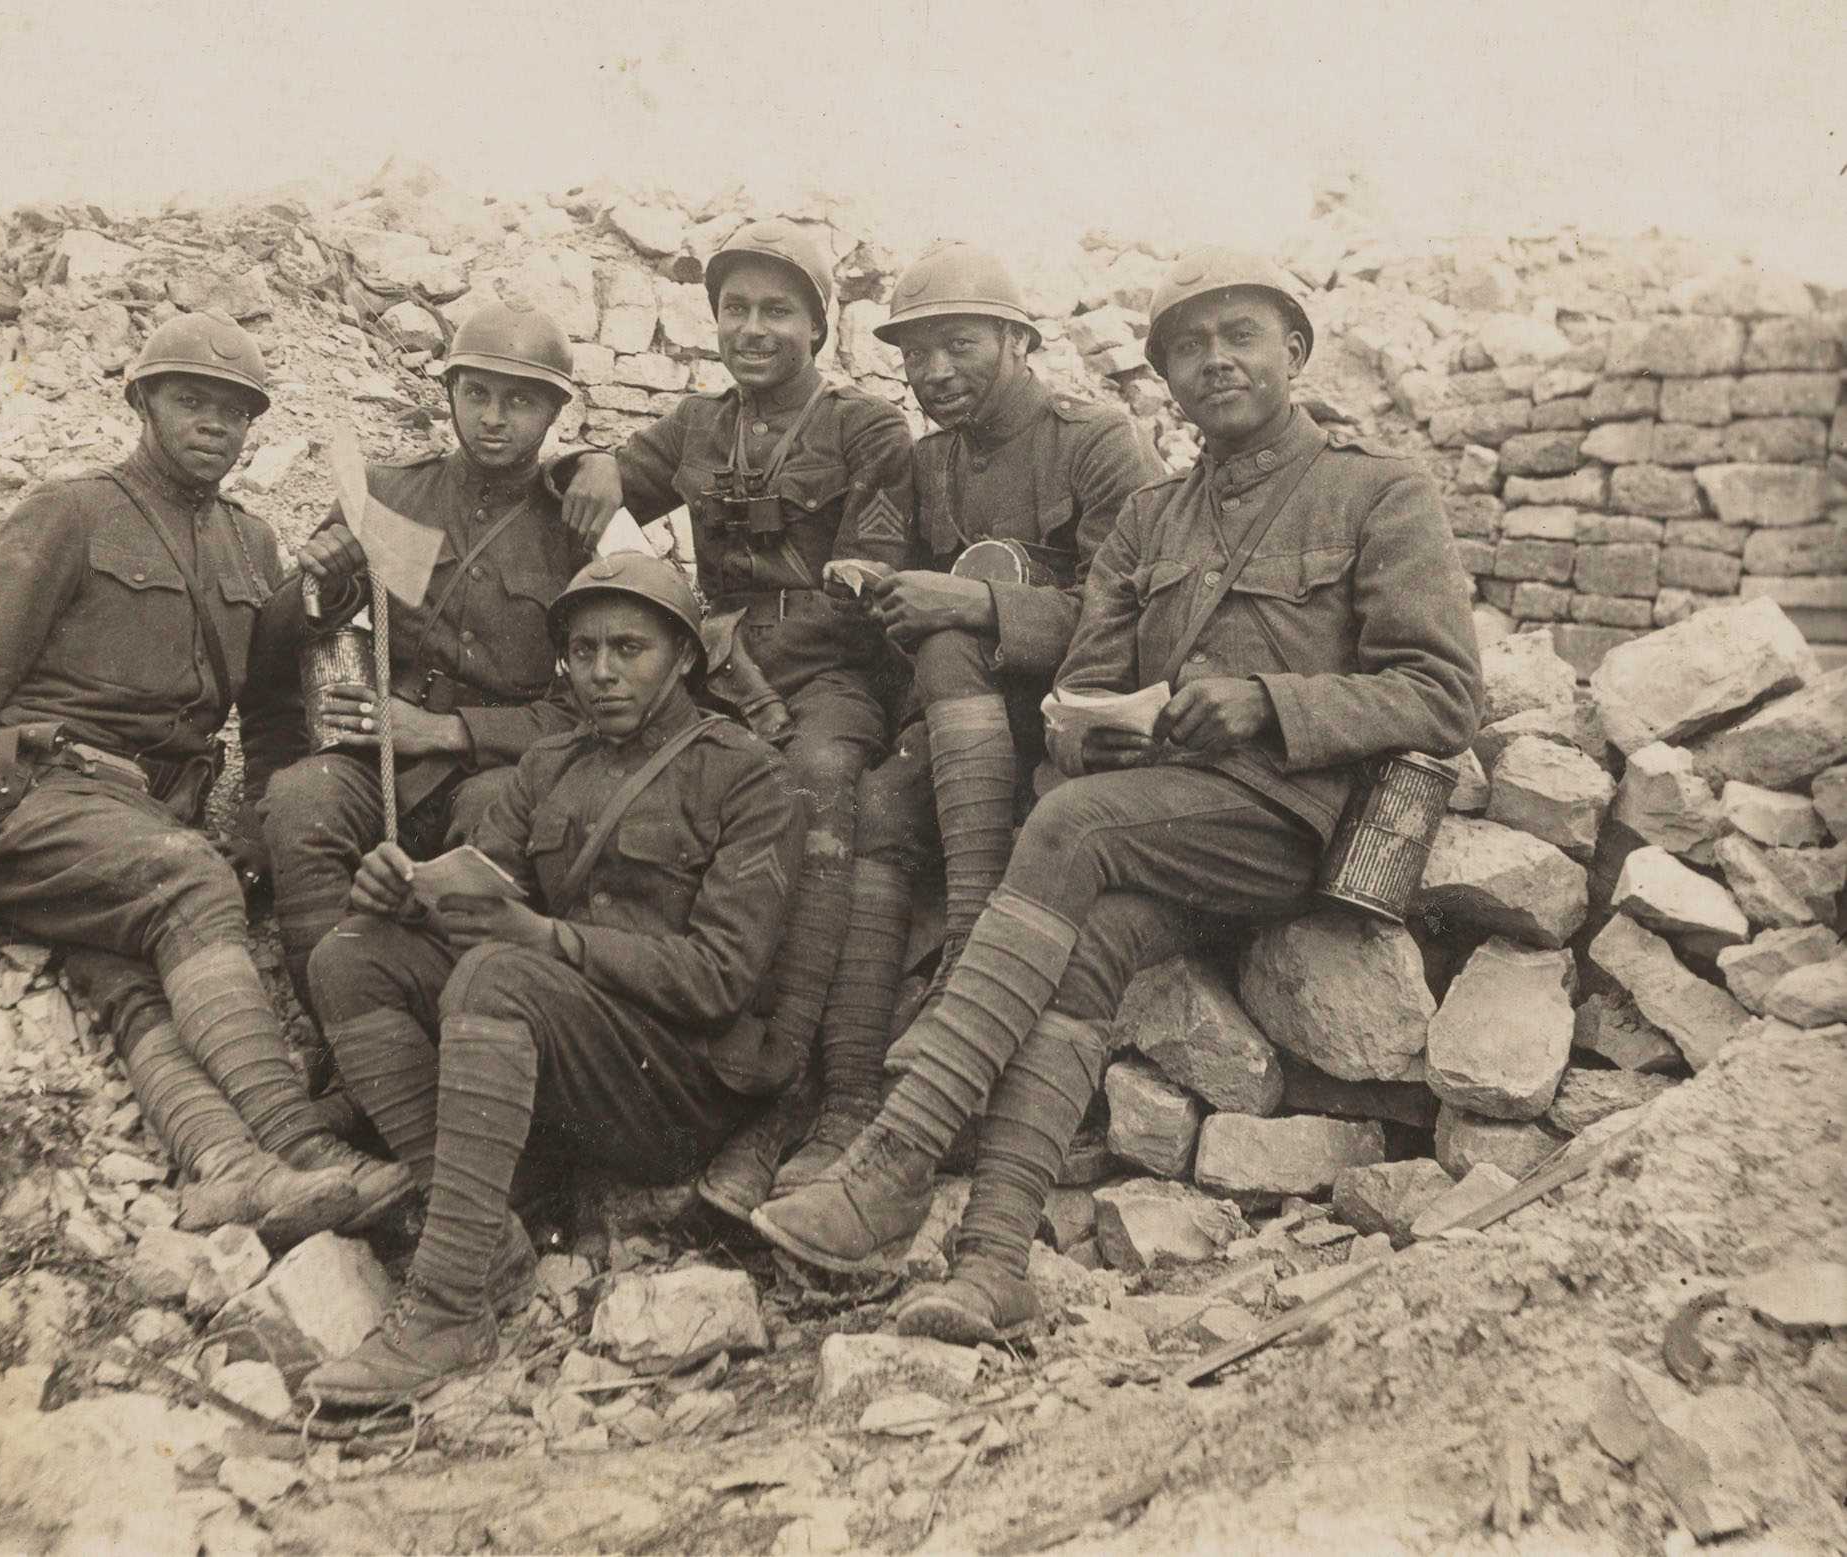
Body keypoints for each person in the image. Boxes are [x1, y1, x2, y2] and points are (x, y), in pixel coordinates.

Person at [752, 249, 1482, 1342]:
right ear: (1166, 380)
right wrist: (1091, 729)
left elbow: (1442, 693)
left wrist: (1268, 703)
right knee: (1084, 939)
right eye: (1186, 348)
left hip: (1290, 822)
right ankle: (994, 1263)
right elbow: (1084, 678)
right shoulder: (1154, 518)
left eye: (1238, 335)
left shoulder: (1375, 491)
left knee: (1067, 826)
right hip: (1159, 820)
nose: (1213, 361)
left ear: (1294, 349)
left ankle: (893, 1162)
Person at [0, 311, 408, 1248]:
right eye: (191, 401)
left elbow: (262, 705)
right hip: (35, 796)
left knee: (137, 980)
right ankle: (304, 1145)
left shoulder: (252, 546)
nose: (213, 425)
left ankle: (235, 1172)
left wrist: (260, 814)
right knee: (188, 880)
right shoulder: (70, 511)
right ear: (142, 402)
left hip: (135, 823)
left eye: (233, 411)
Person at [301, 554, 806, 1404]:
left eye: (628, 648)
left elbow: (720, 978)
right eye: (581, 652)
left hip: (675, 1089)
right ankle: (483, 1239)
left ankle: (449, 1309)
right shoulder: (549, 765)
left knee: (500, 975)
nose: (601, 671)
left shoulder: (745, 774)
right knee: (348, 957)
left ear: (684, 656)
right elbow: (482, 891)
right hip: (568, 1057)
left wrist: (546, 939)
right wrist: (405, 894)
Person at [741, 244, 1164, 1203]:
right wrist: (865, 580)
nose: (933, 373)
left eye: (959, 345)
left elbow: (1134, 617)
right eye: (915, 354)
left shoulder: (1097, 440)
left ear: (1018, 339)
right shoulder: (925, 460)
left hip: (1080, 718)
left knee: (944, 640)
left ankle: (971, 945)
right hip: (959, 721)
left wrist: (973, 608)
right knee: (884, 802)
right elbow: (879, 555)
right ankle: (850, 1097)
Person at [558, 219, 915, 1222]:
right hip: (713, 678)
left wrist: (843, 586)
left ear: (819, 324)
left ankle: (801, 1085)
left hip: (826, 680)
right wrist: (588, 460)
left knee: (812, 790)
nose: (753, 329)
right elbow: (611, 483)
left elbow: (871, 571)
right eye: (735, 310)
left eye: (776, 310)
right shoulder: (694, 427)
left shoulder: (866, 430)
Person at [260, 301, 591, 1011]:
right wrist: (324, 581)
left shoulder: (572, 530)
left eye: (519, 400)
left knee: (499, 827)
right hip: (373, 757)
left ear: (554, 414)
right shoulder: (385, 491)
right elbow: (290, 637)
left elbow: (592, 701)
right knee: (300, 799)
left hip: (495, 767)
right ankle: (337, 1038)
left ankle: (446, 1037)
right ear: (449, 396)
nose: (493, 417)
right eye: (475, 394)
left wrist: (449, 731)